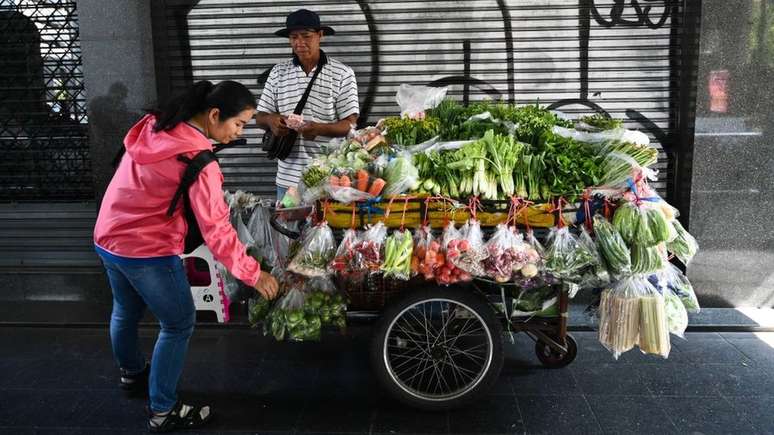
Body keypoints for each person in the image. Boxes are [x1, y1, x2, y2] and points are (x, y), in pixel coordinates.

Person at [93, 80, 279, 433]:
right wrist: (255, 274)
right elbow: (218, 233)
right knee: (178, 324)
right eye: (238, 124)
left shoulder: (156, 125)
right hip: (147, 249)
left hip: (108, 235)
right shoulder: (198, 160)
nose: (239, 132)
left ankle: (133, 376)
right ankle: (163, 411)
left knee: (124, 309)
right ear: (213, 115)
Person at [255, 9, 360, 201]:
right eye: (294, 37)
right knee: (287, 230)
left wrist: (319, 129)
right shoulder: (278, 73)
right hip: (287, 181)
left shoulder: (343, 73)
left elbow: (351, 124)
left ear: (320, 35)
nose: (299, 42)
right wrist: (272, 121)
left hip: (329, 180)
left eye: (306, 36)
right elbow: (260, 116)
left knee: (324, 231)